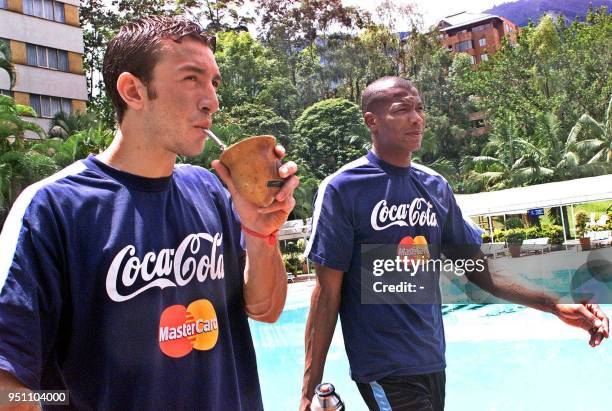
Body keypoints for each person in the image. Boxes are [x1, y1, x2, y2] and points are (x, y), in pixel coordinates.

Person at [0, 16, 298, 410]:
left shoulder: (211, 191)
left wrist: (261, 235)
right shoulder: (54, 208)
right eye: (191, 78)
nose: (212, 99)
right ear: (133, 91)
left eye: (214, 82)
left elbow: (266, 309)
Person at [300, 76, 609, 411]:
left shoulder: (435, 187)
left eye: (419, 108)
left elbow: (480, 272)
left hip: (432, 359)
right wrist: (308, 390)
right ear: (371, 121)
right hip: (384, 365)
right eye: (402, 109)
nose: (417, 118)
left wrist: (555, 304)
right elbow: (327, 293)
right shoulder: (344, 189)